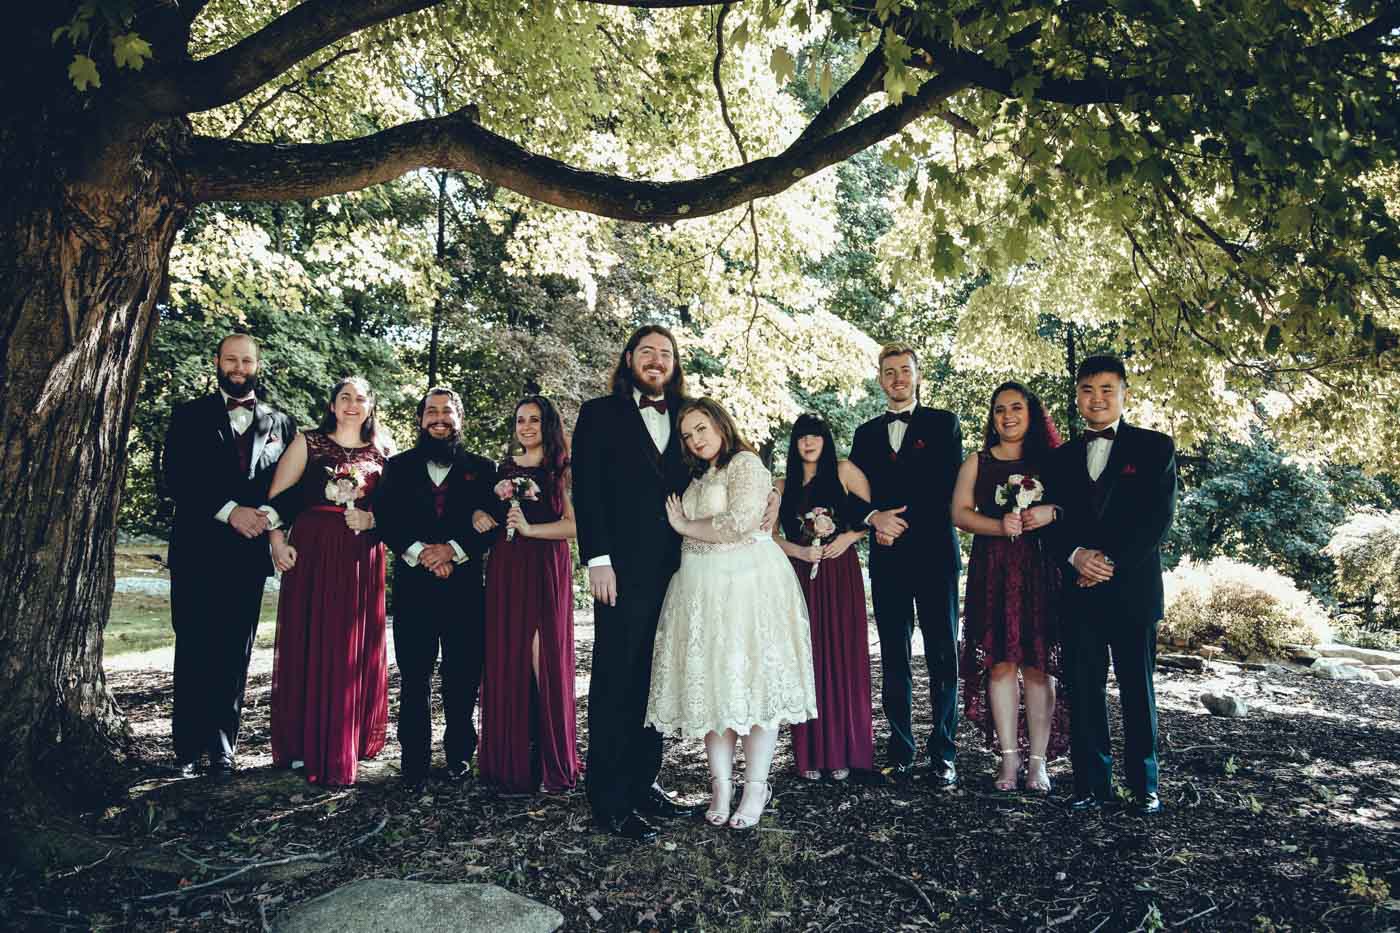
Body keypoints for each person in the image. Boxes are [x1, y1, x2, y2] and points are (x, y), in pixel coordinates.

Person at [646, 398, 818, 830]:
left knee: (752, 685)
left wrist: (685, 527)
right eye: (687, 434)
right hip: (700, 588)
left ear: (720, 424)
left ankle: (756, 786)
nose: (695, 439)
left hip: (747, 586)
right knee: (715, 687)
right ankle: (720, 785)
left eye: (701, 428)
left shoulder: (746, 463)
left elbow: (741, 521)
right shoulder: (696, 474)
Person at [571, 325, 702, 841]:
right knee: (617, 678)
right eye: (647, 351)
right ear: (629, 359)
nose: (656, 360)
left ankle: (645, 782)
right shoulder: (599, 415)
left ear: (674, 364)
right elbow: (588, 491)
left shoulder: (690, 414)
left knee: (658, 677)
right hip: (620, 572)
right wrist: (596, 558)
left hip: (681, 569)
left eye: (665, 354)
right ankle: (609, 799)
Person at [1044, 355, 1177, 817]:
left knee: (1138, 690)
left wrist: (1110, 563)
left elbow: (1157, 521)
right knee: (1084, 690)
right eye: (1086, 389)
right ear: (1077, 395)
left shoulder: (1156, 448)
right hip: (1078, 592)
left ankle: (1145, 785)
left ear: (1123, 393)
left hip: (1132, 592)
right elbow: (1051, 522)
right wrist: (1076, 556)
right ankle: (1090, 783)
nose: (1096, 398)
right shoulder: (1058, 459)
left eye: (1105, 389)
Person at [163, 334, 297, 781]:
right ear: (217, 362)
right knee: (195, 646)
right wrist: (229, 512)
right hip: (198, 551)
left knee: (233, 653)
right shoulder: (188, 416)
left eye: (247, 360)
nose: (238, 367)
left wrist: (269, 516)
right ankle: (185, 749)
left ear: (258, 364)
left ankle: (222, 748)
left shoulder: (282, 423)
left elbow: (294, 486)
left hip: (247, 558)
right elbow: (177, 478)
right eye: (231, 360)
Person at [264, 376, 392, 787]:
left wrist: (373, 519)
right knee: (312, 638)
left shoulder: (384, 450)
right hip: (314, 551)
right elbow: (277, 498)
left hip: (360, 553)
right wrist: (276, 543)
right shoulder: (308, 442)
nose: (352, 405)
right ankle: (305, 741)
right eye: (344, 398)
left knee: (349, 643)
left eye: (360, 399)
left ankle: (348, 737)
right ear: (333, 405)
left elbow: (400, 509)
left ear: (370, 406)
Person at [848, 343, 964, 786]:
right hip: (887, 558)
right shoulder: (866, 433)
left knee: (940, 655)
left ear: (917, 376)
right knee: (894, 658)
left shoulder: (943, 423)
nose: (897, 378)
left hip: (934, 554)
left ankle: (944, 753)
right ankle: (900, 751)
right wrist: (874, 518)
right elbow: (854, 490)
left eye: (904, 370)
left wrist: (898, 522)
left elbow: (944, 486)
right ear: (880, 379)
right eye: (889, 371)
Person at [374, 387, 495, 790]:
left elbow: (491, 523)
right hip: (413, 587)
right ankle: (414, 760)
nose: (439, 418)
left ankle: (460, 754)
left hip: (465, 590)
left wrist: (452, 551)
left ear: (459, 419)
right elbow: (386, 519)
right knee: (415, 676)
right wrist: (421, 553)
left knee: (462, 675)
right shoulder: (398, 466)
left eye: (447, 411)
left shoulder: (484, 468)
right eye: (431, 412)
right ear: (420, 419)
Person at [952, 382, 1068, 793]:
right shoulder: (978, 461)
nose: (1008, 416)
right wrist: (999, 525)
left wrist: (1051, 511)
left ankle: (1037, 764)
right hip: (994, 570)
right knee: (1000, 664)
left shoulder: (1053, 461)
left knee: (1038, 666)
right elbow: (960, 514)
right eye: (999, 410)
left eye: (1016, 407)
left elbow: (1074, 507)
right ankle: (1008, 759)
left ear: (1031, 413)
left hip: (1041, 568)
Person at [474, 394, 580, 794]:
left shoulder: (562, 470)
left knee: (543, 657)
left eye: (534, 420)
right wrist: (478, 514)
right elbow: (484, 514)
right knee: (508, 656)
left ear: (547, 424)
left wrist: (534, 529)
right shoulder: (503, 471)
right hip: (507, 568)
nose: (527, 427)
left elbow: (576, 527)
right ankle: (512, 763)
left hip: (545, 567)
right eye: (520, 420)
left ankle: (552, 761)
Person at [773, 414, 875, 782]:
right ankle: (811, 754)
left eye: (816, 436)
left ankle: (845, 751)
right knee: (809, 658)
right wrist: (799, 553)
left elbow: (871, 518)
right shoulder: (782, 485)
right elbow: (767, 536)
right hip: (801, 574)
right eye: (802, 437)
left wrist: (847, 539)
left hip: (840, 571)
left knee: (842, 655)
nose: (809, 442)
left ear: (826, 440)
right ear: (794, 443)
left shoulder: (845, 471)